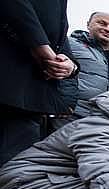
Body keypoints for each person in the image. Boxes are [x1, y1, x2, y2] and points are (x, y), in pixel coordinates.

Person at [0, 0, 79, 166]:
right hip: (8, 81)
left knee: (15, 168)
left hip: (32, 101)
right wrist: (40, 45)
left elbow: (60, 42)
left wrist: (70, 67)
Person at [67, 12, 109, 119]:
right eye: (102, 23)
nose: (108, 29)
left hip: (105, 120)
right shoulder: (68, 43)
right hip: (69, 114)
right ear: (88, 24)